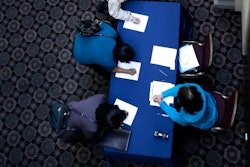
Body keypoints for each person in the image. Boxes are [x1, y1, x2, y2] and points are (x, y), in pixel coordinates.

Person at [57, 94, 128, 143]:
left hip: (70, 108)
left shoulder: (100, 98)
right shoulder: (92, 128)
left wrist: (121, 113)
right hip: (66, 127)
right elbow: (91, 138)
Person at [153, 83, 218, 130]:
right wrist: (162, 95)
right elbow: (180, 88)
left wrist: (161, 103)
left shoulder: (189, 118)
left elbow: (176, 116)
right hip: (211, 101)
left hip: (208, 121)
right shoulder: (194, 90)